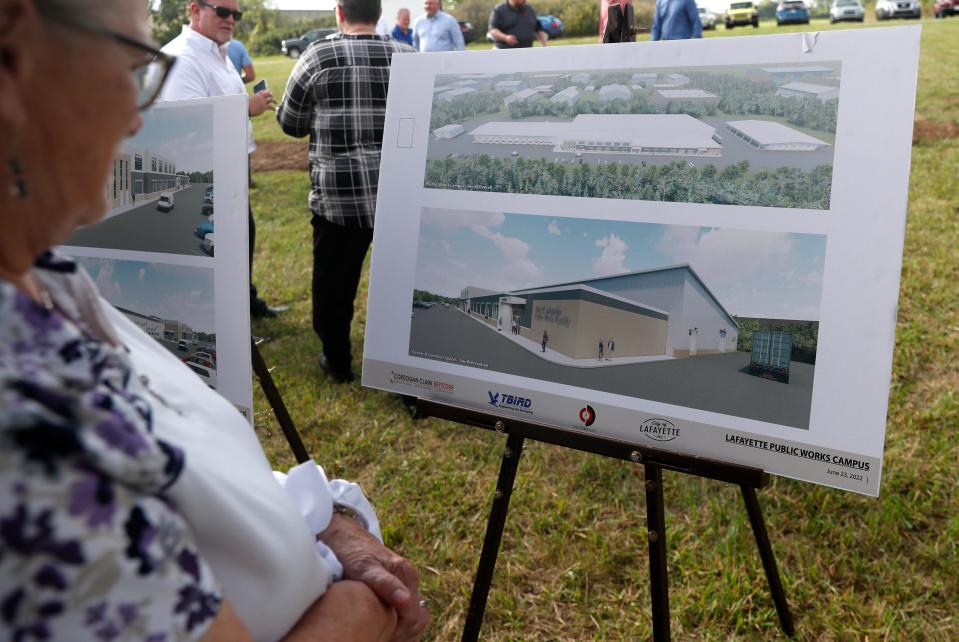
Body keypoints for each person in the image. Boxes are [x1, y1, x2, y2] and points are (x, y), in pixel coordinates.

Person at [0, 1, 429, 641]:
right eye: (131, 65)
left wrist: (323, 520)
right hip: (383, 189)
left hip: (334, 189)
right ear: (12, 65)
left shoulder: (47, 278)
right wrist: (366, 610)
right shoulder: (25, 421)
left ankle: (334, 356)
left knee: (334, 290)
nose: (134, 113)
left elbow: (173, 459)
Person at [277, 0, 416, 383]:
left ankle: (337, 361)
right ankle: (407, 376)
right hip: (400, 196)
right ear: (378, 13)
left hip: (339, 200)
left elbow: (291, 123)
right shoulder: (408, 56)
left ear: (340, 12)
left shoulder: (317, 55)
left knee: (333, 288)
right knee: (402, 287)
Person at [157, 0, 283, 320]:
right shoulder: (182, 58)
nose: (231, 20)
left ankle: (244, 304)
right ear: (195, 9)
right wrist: (246, 106)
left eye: (236, 14)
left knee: (241, 245)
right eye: (223, 12)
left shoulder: (218, 51)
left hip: (231, 175)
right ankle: (224, 322)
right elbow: (185, 128)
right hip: (203, 185)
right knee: (213, 262)